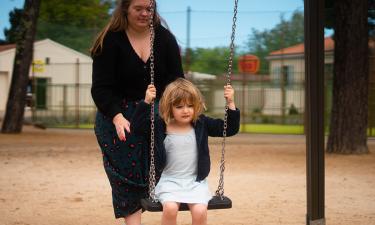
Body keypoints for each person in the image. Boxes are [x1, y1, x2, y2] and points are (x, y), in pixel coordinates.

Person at [90, 0, 184, 223]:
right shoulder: (110, 41)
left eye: (149, 9)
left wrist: (179, 109)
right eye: (138, 9)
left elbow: (177, 81)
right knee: (126, 177)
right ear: (125, 9)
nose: (144, 13)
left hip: (155, 114)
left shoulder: (165, 40)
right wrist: (116, 115)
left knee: (162, 166)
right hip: (117, 116)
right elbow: (101, 88)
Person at [131, 78, 240, 225]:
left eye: (190, 106)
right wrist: (146, 102)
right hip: (169, 181)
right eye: (179, 106)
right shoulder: (160, 126)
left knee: (200, 211)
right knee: (170, 208)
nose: (186, 110)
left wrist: (231, 103)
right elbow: (136, 127)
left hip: (195, 182)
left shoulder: (202, 124)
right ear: (169, 108)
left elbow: (230, 129)